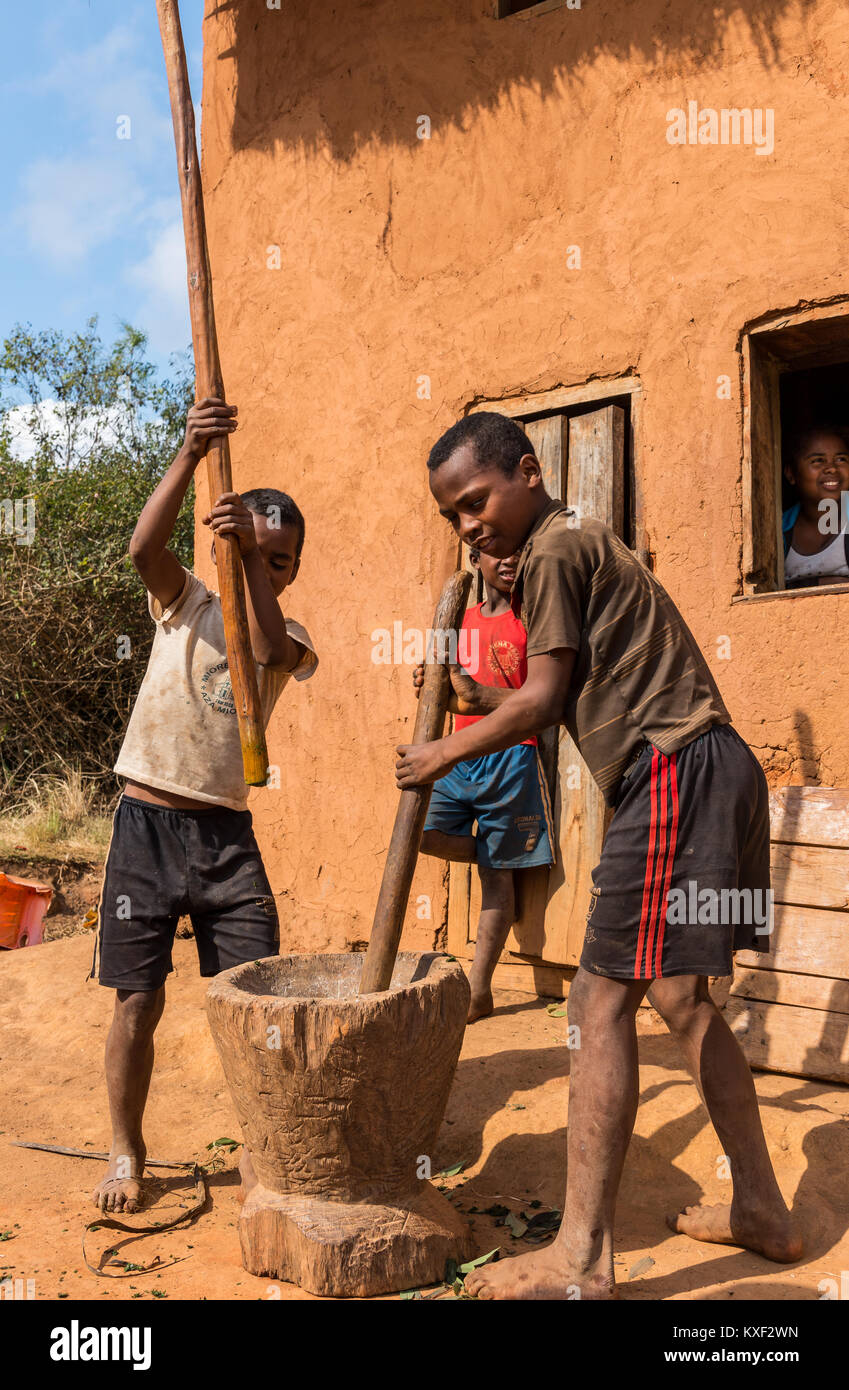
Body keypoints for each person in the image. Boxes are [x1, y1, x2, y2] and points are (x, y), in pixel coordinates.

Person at [396, 411, 801, 1299]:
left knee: (594, 998)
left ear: (526, 471)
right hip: (712, 763)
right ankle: (761, 1210)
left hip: (669, 768)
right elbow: (557, 679)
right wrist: (477, 674)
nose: (467, 526)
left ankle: (580, 1258)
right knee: (682, 1000)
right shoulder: (574, 540)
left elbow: (541, 701)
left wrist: (440, 752)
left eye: (474, 501)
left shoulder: (552, 549)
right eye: (451, 518)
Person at [90, 397, 317, 1215]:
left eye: (283, 558)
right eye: (261, 553)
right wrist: (189, 455)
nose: (272, 566)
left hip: (226, 837)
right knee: (137, 1000)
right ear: (218, 544)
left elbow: (262, 652)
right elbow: (142, 547)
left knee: (254, 998)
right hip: (145, 825)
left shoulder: (286, 632)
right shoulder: (184, 601)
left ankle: (265, 1149)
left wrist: (248, 558)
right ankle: (126, 1152)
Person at [416, 545, 555, 1023]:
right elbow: (453, 689)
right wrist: (429, 679)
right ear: (475, 559)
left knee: (498, 880)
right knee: (422, 833)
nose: (508, 562)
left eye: (515, 552)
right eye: (495, 554)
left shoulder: (533, 620)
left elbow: (545, 697)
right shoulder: (464, 622)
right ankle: (494, 853)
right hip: (460, 755)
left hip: (514, 756)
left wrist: (480, 697)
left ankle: (479, 991)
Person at [782, 425, 849, 588]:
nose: (832, 468)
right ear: (791, 473)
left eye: (841, 459)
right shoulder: (777, 531)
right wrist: (819, 583)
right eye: (817, 460)